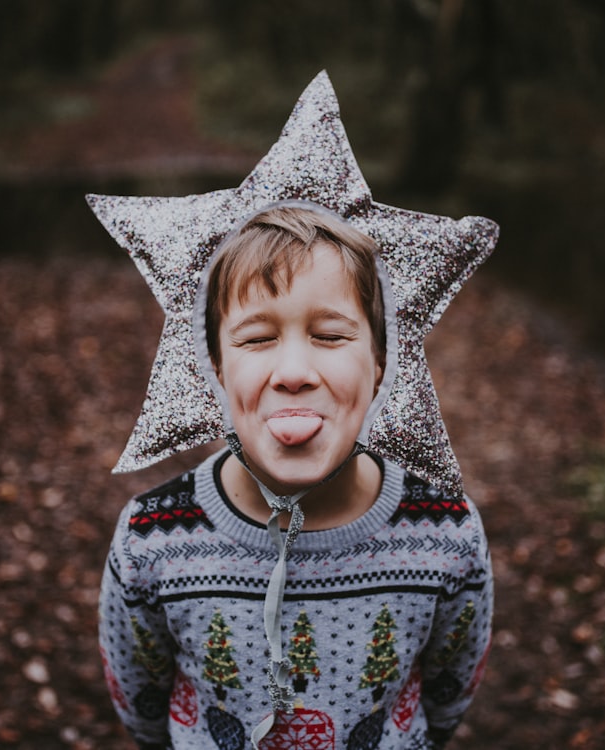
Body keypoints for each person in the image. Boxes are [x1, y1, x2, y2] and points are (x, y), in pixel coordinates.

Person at [98, 203, 493, 750]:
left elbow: (448, 699)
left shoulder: (447, 534)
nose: (293, 373)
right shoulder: (151, 539)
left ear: (381, 361)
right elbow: (142, 710)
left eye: (330, 335)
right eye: (257, 339)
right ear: (215, 365)